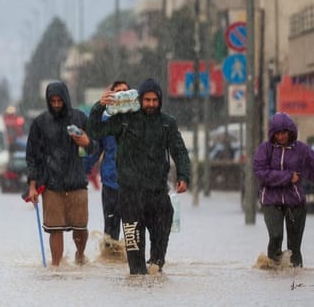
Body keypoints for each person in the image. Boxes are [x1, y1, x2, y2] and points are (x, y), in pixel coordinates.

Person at [86, 78, 191, 275]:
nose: (151, 104)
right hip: (130, 196)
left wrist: (184, 176)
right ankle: (138, 293)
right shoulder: (124, 120)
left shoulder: (167, 123)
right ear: (140, 99)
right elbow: (94, 131)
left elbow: (180, 151)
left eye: (154, 100)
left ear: (160, 100)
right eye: (147, 100)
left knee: (157, 260)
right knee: (136, 267)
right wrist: (99, 107)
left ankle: (155, 289)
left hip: (158, 195)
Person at [25, 81, 98, 267]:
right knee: (54, 229)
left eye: (60, 100)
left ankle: (80, 256)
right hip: (51, 183)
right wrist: (32, 187)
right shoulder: (40, 123)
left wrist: (86, 142)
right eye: (53, 101)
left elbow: (95, 148)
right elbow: (32, 156)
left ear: (66, 99)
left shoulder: (81, 118)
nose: (57, 104)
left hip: (77, 182)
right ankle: (56, 267)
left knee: (80, 228)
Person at [252, 112, 314, 268]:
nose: (280, 137)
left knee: (294, 247)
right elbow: (260, 172)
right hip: (271, 200)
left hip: (295, 202)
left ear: (290, 132)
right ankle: (274, 273)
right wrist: (288, 177)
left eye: (283, 133)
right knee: (276, 236)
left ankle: (295, 281)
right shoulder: (265, 149)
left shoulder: (302, 150)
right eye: (277, 133)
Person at [83, 80, 130, 250]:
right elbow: (94, 149)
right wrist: (81, 172)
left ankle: (135, 267)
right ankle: (111, 261)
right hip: (111, 183)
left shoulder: (139, 120)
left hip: (134, 185)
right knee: (110, 231)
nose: (122, 94)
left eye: (125, 91)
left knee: (133, 230)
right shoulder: (105, 122)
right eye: (118, 92)